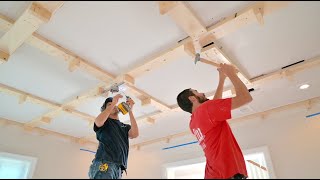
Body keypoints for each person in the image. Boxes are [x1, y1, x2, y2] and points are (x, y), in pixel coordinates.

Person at [176, 63, 253, 179]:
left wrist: (222, 79)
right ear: (192, 98)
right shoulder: (206, 110)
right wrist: (231, 73)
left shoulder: (193, 123)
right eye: (197, 91)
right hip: (227, 172)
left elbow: (215, 106)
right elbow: (245, 98)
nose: (202, 93)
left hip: (217, 173)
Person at [88, 94, 139, 179]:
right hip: (105, 163)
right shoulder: (105, 122)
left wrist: (130, 111)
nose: (113, 105)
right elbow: (98, 121)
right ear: (105, 109)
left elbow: (135, 134)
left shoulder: (124, 127)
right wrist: (113, 103)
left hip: (118, 168)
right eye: (109, 104)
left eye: (114, 104)